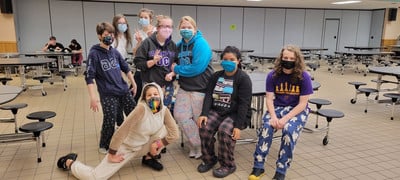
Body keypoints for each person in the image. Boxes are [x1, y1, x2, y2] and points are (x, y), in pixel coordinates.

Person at [57, 82, 180, 179]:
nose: (153, 97)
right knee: (96, 177)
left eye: (155, 94)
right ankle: (69, 162)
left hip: (144, 144)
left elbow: (175, 134)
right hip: (128, 147)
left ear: (160, 95)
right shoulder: (141, 109)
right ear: (144, 98)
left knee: (165, 129)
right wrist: (112, 153)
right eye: (149, 95)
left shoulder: (163, 110)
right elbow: (122, 131)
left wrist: (159, 144)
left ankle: (148, 158)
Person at [248, 45, 313, 180]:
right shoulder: (272, 75)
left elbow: (303, 104)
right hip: (277, 108)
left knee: (289, 131)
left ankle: (281, 170)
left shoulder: (304, 77)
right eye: (285, 58)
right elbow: (270, 99)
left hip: (296, 110)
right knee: (266, 128)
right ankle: (258, 166)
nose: (288, 60)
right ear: (280, 58)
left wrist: (285, 119)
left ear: (297, 60)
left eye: (291, 58)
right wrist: (273, 117)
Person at [196, 46, 252, 178]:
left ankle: (228, 165)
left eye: (232, 59)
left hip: (235, 114)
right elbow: (209, 95)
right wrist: (204, 114)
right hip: (217, 110)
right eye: (225, 59)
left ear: (238, 61)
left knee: (224, 131)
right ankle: (209, 159)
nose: (228, 62)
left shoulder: (243, 78)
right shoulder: (216, 76)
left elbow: (244, 104)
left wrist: (238, 126)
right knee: (204, 127)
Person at [84, 22, 137, 155]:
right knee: (110, 118)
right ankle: (104, 144)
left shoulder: (114, 52)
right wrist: (93, 97)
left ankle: (132, 138)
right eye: (107, 35)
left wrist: (133, 83)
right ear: (99, 36)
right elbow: (89, 77)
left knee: (134, 114)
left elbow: (125, 67)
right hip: (108, 93)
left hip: (123, 90)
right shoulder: (94, 54)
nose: (110, 37)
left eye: (112, 34)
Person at [170, 16, 214, 159]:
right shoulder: (179, 46)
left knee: (198, 119)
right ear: (179, 30)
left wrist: (176, 69)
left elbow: (197, 68)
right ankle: (196, 144)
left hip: (200, 88)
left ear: (195, 29)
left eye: (189, 27)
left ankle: (201, 147)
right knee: (180, 115)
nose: (186, 30)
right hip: (184, 87)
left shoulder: (201, 44)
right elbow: (171, 61)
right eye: (183, 27)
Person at [133, 15, 177, 108]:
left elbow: (176, 63)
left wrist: (172, 74)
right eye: (164, 26)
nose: (166, 29)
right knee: (153, 112)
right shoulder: (148, 43)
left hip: (167, 87)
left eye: (169, 27)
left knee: (165, 113)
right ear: (157, 28)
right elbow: (138, 63)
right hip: (151, 87)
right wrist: (153, 61)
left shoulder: (172, 45)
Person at [132, 8, 157, 103]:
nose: (143, 19)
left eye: (145, 17)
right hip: (141, 69)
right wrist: (139, 42)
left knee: (152, 96)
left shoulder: (157, 32)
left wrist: (151, 39)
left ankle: (154, 114)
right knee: (134, 95)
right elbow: (134, 53)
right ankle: (136, 116)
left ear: (151, 19)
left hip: (154, 70)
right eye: (141, 17)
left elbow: (162, 51)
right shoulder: (138, 34)